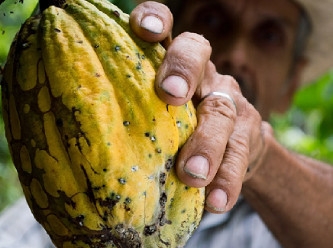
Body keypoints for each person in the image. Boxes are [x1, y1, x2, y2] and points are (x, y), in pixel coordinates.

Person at [0, 0, 332, 247]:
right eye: (212, 17)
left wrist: (259, 156)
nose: (237, 55)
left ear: (292, 83)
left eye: (269, 36)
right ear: (167, 38)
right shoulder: (48, 214)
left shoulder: (282, 224)